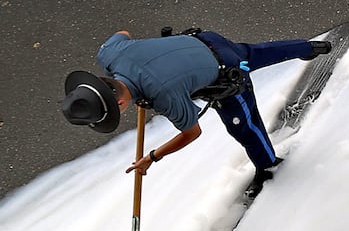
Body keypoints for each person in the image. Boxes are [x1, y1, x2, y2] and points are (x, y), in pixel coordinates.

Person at [61, 29, 331, 198]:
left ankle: (268, 164)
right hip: (205, 40)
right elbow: (124, 33)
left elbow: (192, 132)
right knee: (254, 52)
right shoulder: (110, 54)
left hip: (226, 70)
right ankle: (308, 48)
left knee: (243, 126)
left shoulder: (164, 96)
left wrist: (152, 157)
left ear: (119, 104)